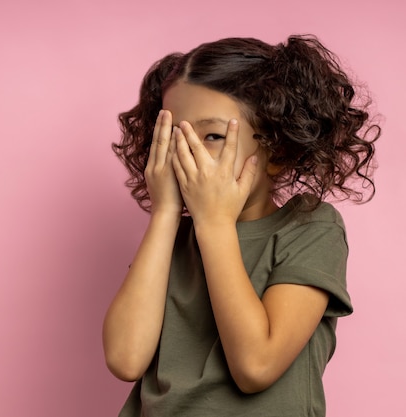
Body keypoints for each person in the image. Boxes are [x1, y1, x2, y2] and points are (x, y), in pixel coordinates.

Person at [102, 35, 379, 417]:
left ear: (278, 151)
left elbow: (256, 366)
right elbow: (125, 359)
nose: (186, 153)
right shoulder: (170, 242)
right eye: (173, 136)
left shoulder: (309, 228)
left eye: (212, 136)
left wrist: (215, 224)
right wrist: (165, 214)